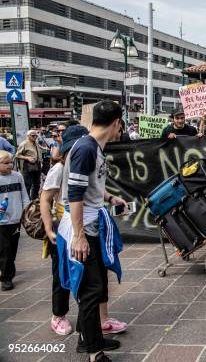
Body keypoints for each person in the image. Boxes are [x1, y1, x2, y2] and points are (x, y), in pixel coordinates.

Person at [58, 101, 129, 361]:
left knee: (97, 285)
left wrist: (110, 198)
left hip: (91, 224)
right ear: (116, 123)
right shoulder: (87, 148)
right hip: (82, 228)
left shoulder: (93, 148)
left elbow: (89, 186)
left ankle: (90, 338)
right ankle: (94, 352)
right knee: (90, 289)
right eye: (120, 124)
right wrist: (79, 235)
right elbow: (74, 194)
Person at [41, 125, 127, 337]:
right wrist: (48, 228)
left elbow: (94, 187)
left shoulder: (89, 157)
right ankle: (59, 316)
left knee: (96, 279)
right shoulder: (60, 168)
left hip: (89, 225)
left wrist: (109, 198)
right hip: (67, 228)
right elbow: (45, 198)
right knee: (64, 277)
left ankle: (99, 321)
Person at [0, 151, 30, 291]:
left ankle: (6, 269)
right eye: (6, 163)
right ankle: (6, 278)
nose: (10, 165)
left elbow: (24, 194)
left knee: (12, 248)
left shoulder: (17, 176)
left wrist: (27, 211)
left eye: (11, 162)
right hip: (1, 222)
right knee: (5, 249)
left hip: (16, 219)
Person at [15, 129, 44, 199]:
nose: (35, 137)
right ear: (28, 136)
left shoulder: (35, 143)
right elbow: (17, 155)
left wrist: (45, 148)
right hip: (28, 165)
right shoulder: (24, 144)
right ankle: (26, 200)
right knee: (28, 184)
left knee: (37, 183)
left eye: (36, 136)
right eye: (33, 136)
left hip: (37, 165)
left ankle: (34, 198)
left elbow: (39, 149)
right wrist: (27, 158)